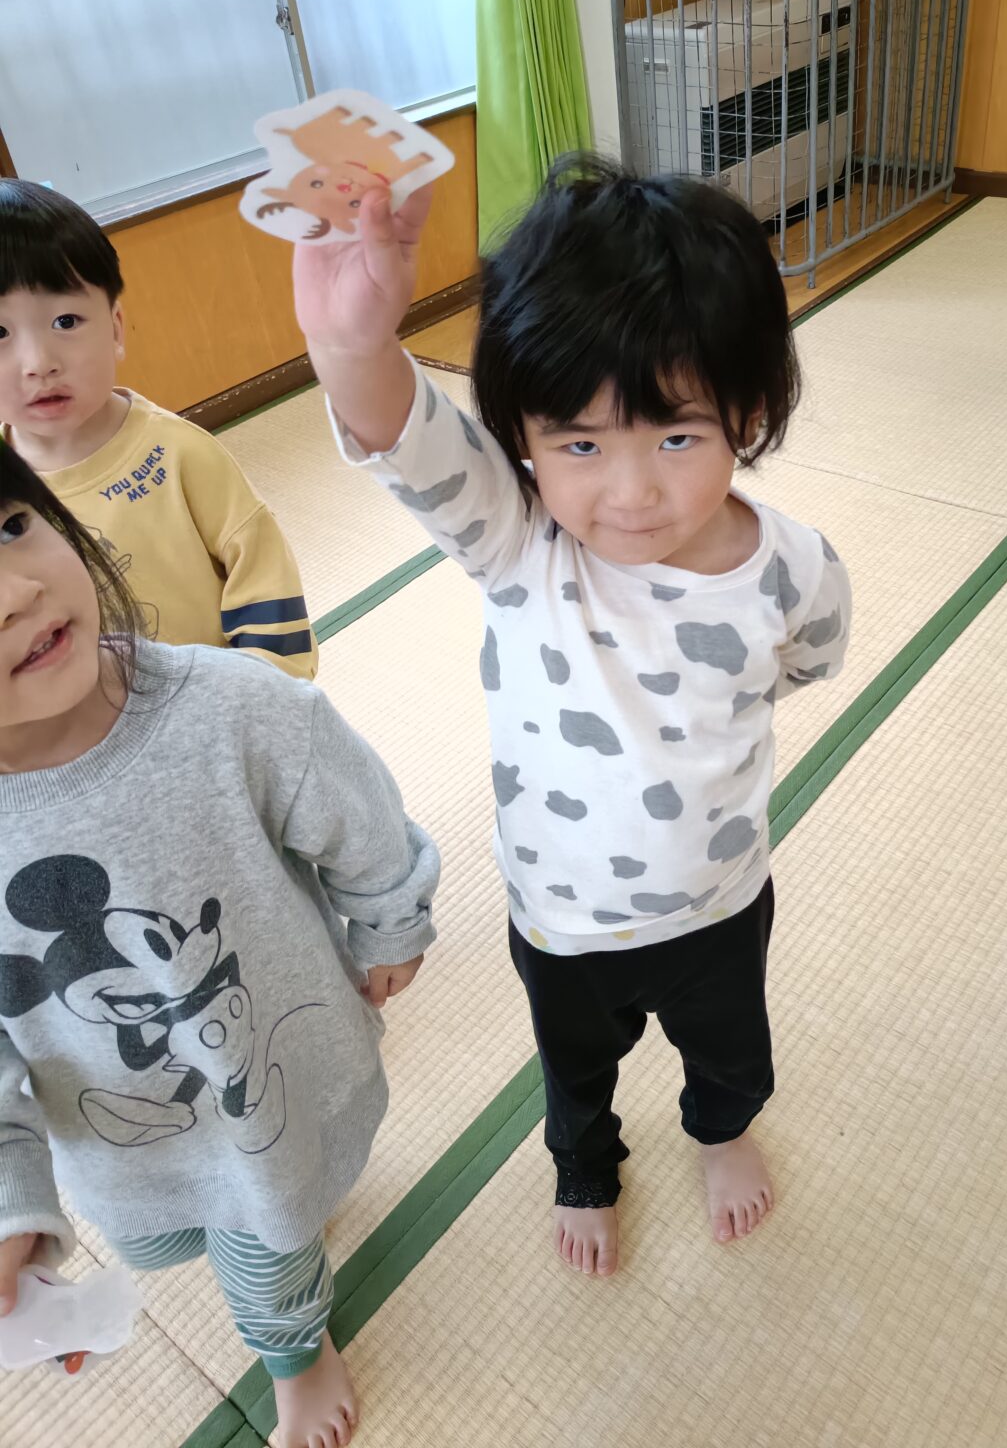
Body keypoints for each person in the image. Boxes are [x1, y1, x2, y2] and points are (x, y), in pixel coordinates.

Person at [293, 155, 851, 1278]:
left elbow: (803, 662)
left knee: (731, 1053)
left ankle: (721, 1131)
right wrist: (352, 343)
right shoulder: (517, 540)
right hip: (561, 916)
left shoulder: (793, 567)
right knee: (575, 1072)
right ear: (525, 440)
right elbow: (405, 436)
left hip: (719, 901)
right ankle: (585, 1166)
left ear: (747, 414)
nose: (629, 491)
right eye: (579, 444)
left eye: (676, 437)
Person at [0, 440, 439, 1448]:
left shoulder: (228, 706)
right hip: (117, 1141)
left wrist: (391, 922)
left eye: (11, 525)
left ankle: (296, 1353)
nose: (15, 593)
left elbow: (360, 818)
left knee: (267, 1242)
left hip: (267, 1079)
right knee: (173, 1236)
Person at [0, 179, 317, 676]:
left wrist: (270, 695)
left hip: (220, 705)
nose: (39, 363)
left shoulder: (178, 452)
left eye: (65, 321)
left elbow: (264, 580)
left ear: (116, 328)